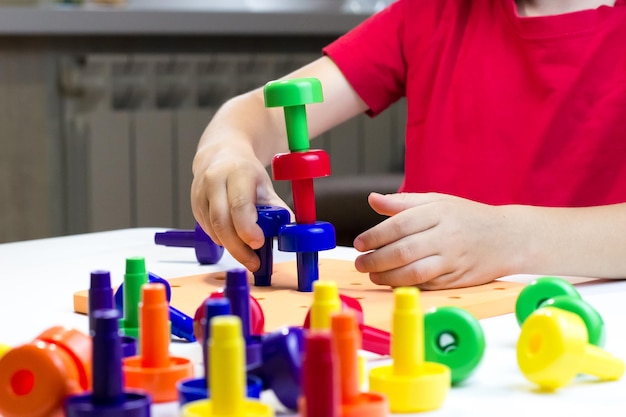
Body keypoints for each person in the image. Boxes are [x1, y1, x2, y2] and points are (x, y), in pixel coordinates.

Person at [191, 0, 626, 290]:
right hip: (422, 324)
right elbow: (259, 112)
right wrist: (227, 152)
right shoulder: (431, 13)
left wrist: (508, 239)